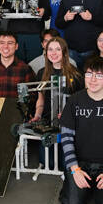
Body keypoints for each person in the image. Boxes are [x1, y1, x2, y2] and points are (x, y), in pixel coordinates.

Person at [59, 57, 103, 204]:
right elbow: (66, 137)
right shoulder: (75, 100)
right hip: (80, 163)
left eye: (99, 75)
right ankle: (72, 185)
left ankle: (96, 189)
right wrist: (75, 169)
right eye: (89, 74)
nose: (93, 79)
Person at [32, 36, 84, 169]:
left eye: (57, 49)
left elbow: (81, 102)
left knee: (63, 164)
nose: (53, 53)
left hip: (68, 125)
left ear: (64, 52)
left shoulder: (76, 74)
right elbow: (41, 98)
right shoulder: (41, 73)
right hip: (48, 123)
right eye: (50, 49)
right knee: (48, 163)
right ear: (45, 51)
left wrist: (69, 116)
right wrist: (37, 115)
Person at [0, 31, 35, 98]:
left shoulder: (25, 69)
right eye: (2, 43)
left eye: (10, 43)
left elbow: (28, 98)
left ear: (16, 46)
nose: (5, 46)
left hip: (16, 108)